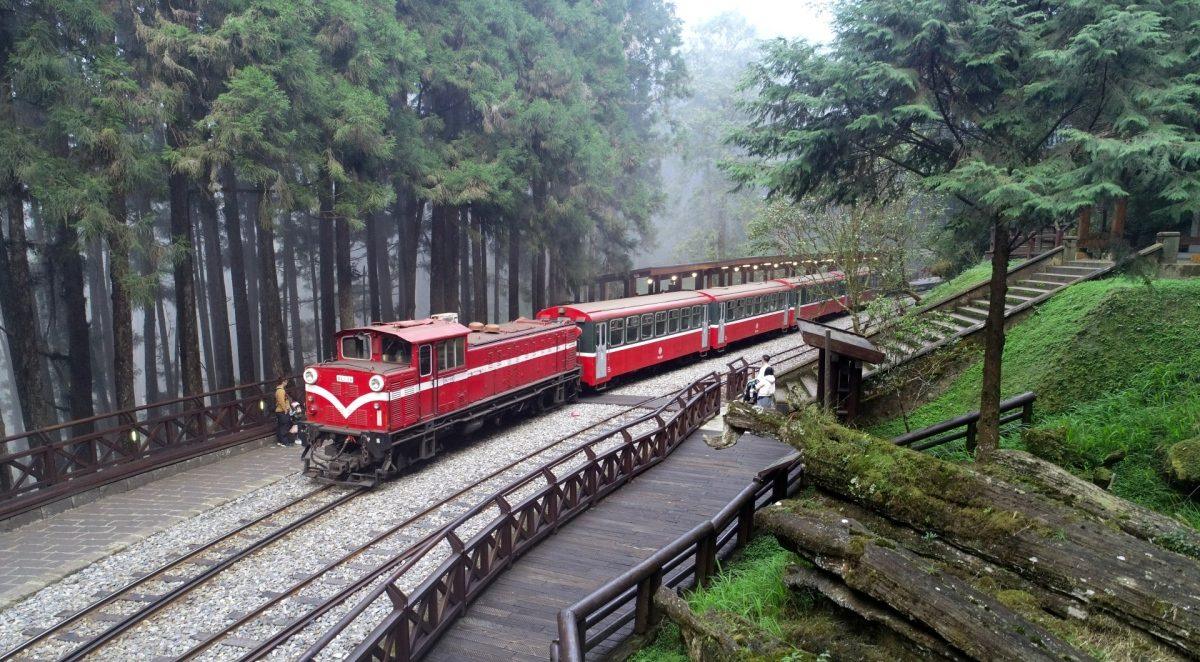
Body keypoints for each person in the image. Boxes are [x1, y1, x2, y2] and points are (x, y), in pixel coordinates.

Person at [275, 378, 291, 447]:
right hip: (282, 411)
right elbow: (282, 401)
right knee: (284, 426)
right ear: (283, 382)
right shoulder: (281, 391)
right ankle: (284, 442)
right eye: (286, 382)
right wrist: (285, 410)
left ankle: (280, 441)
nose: (286, 383)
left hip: (279, 411)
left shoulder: (278, 390)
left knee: (280, 426)